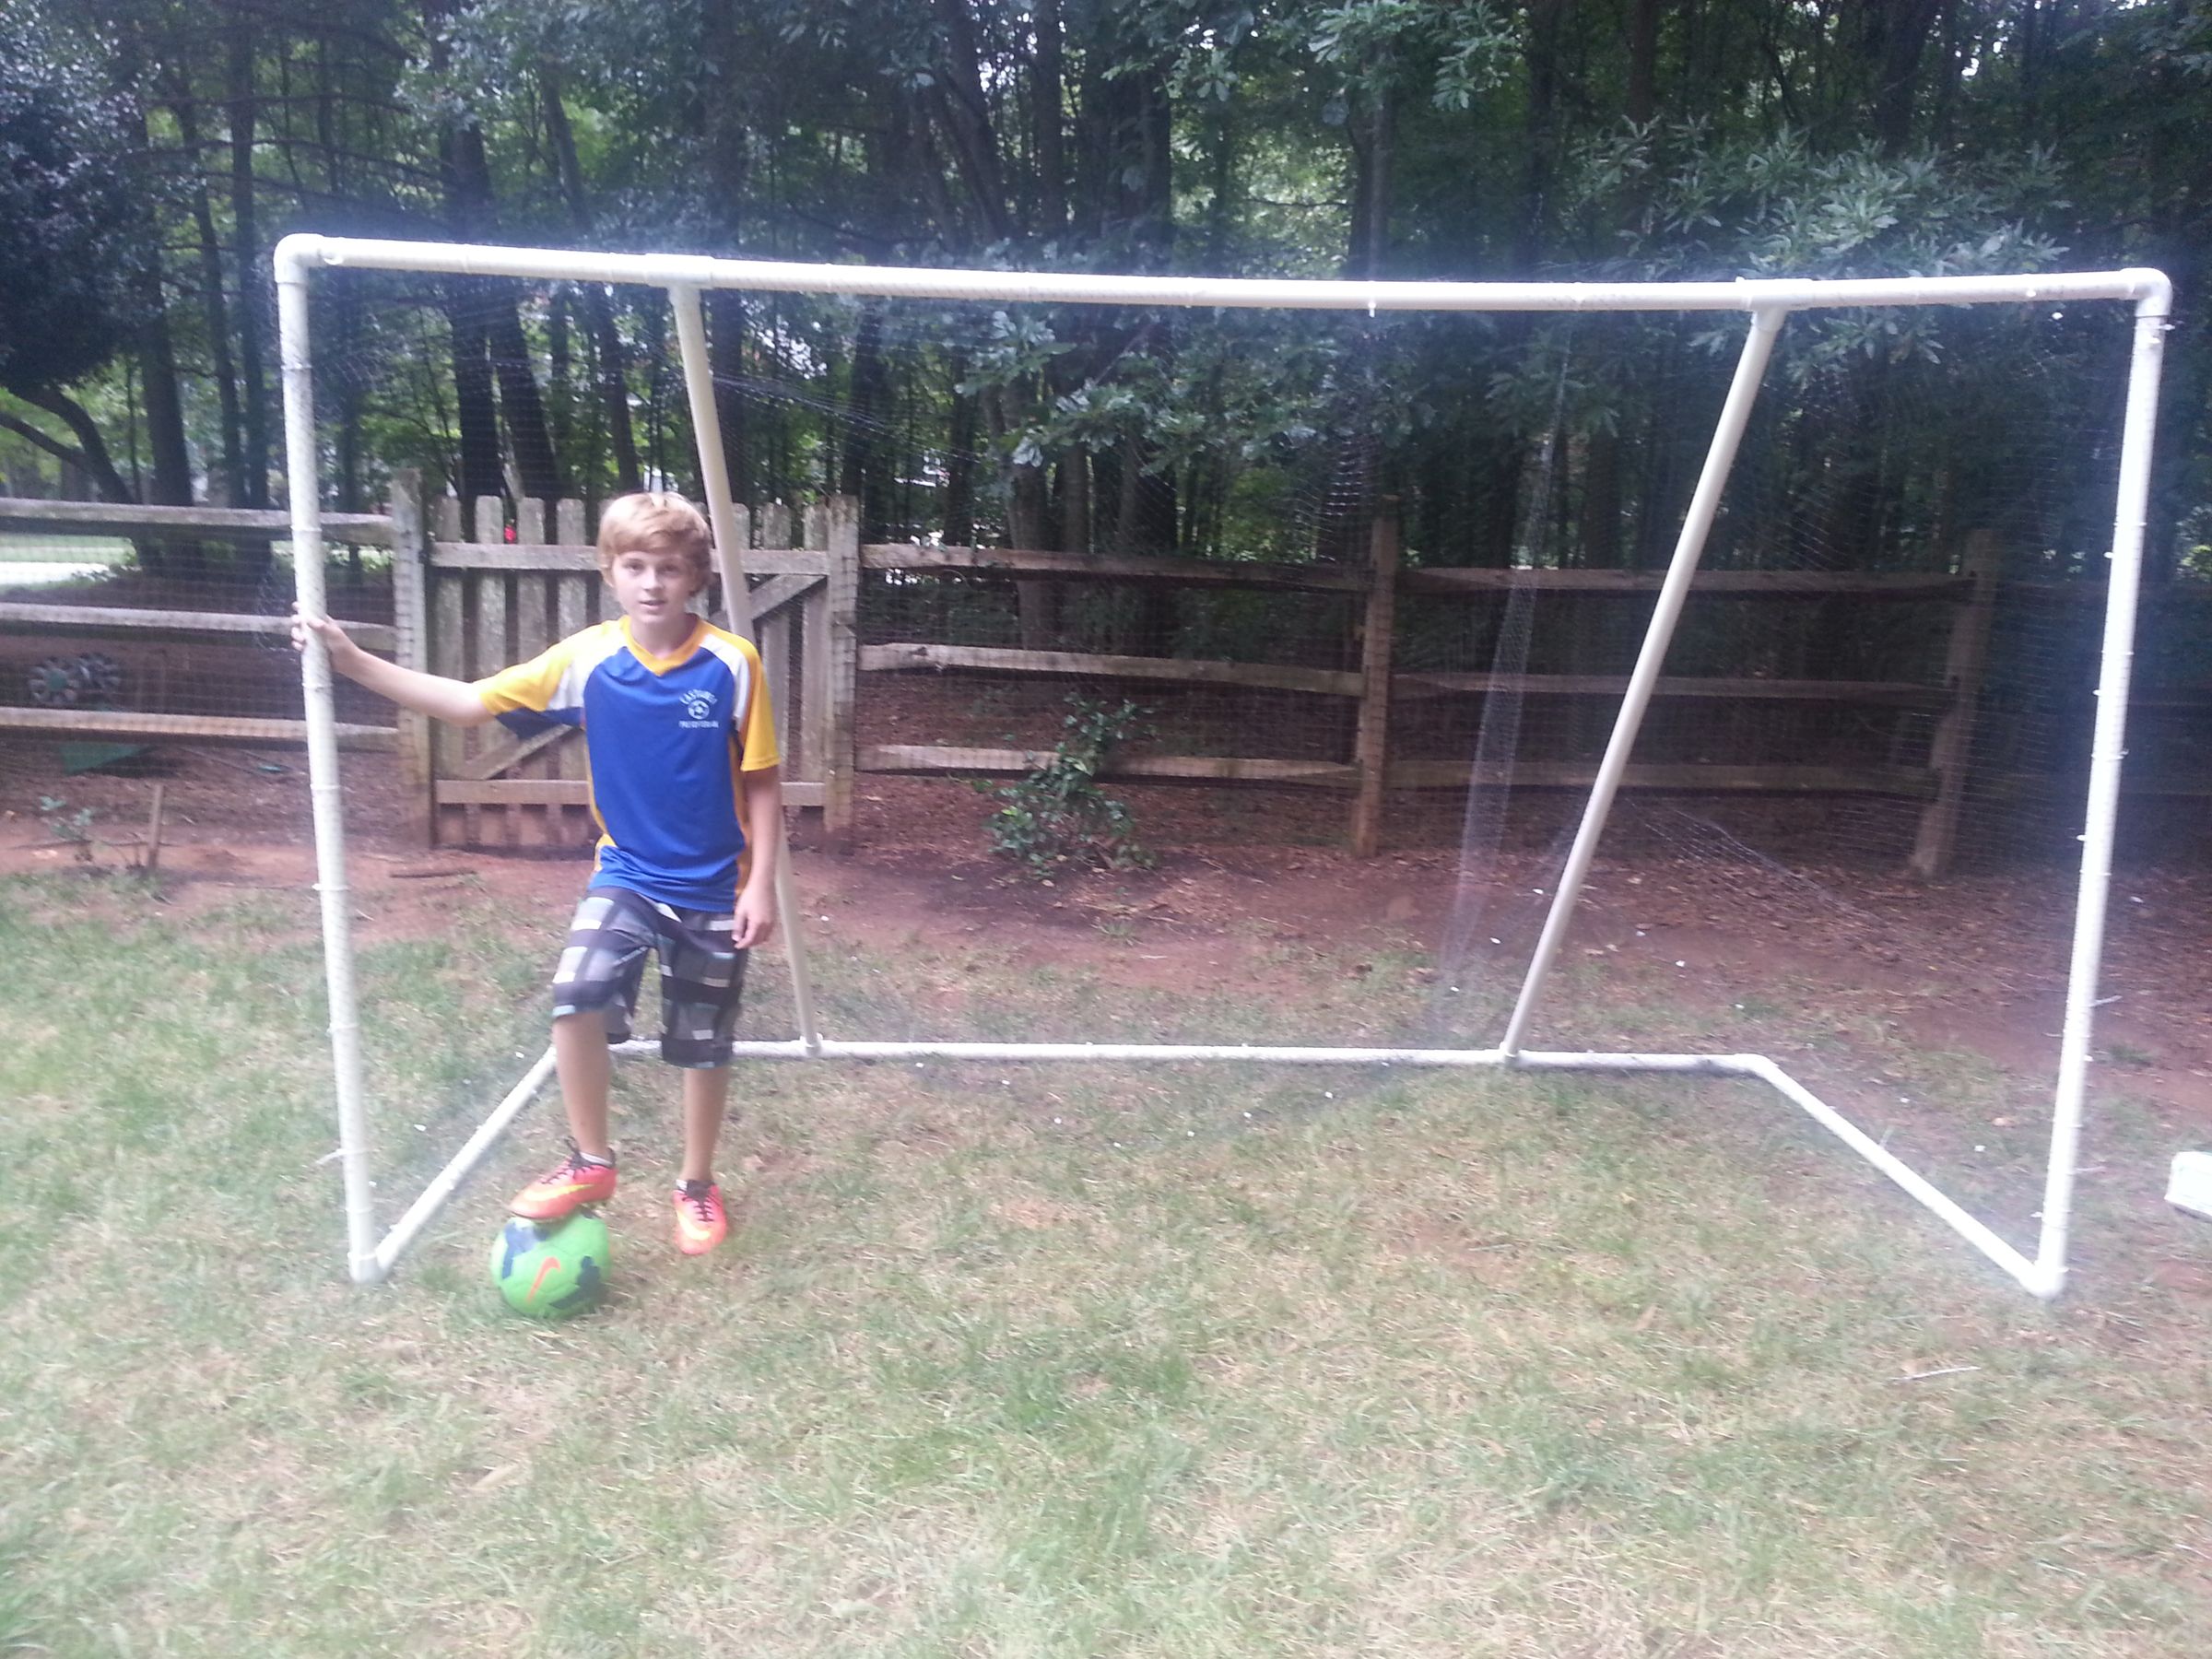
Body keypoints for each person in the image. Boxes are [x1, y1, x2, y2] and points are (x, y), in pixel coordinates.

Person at [294, 491, 782, 1256]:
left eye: (669, 569)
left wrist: (760, 886)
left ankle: (695, 1185)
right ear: (609, 572)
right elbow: (465, 703)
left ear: (695, 578)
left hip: (716, 886)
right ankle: (592, 1161)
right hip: (626, 874)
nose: (652, 583)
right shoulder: (586, 660)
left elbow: (760, 781)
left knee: (702, 1041)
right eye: (635, 567)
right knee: (576, 993)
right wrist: (352, 661)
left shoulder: (731, 663)